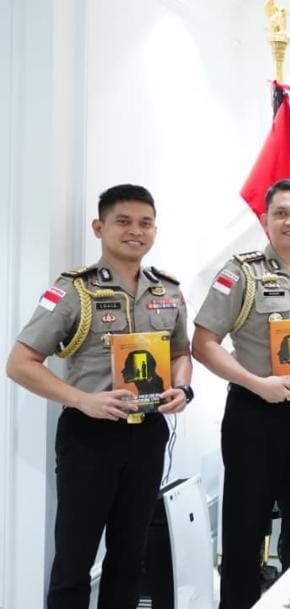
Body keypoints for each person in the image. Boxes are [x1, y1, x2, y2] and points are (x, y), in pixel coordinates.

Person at [6, 184, 193, 609]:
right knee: (74, 560)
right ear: (99, 227)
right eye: (123, 221)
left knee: (129, 558)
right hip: (90, 437)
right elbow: (20, 363)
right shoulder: (73, 290)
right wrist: (82, 400)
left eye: (145, 223)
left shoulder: (168, 291)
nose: (135, 231)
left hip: (147, 434)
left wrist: (182, 388)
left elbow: (182, 353)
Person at [191, 179, 290, 609]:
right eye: (281, 213)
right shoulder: (239, 274)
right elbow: (203, 344)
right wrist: (257, 384)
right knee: (245, 527)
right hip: (253, 413)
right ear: (265, 220)